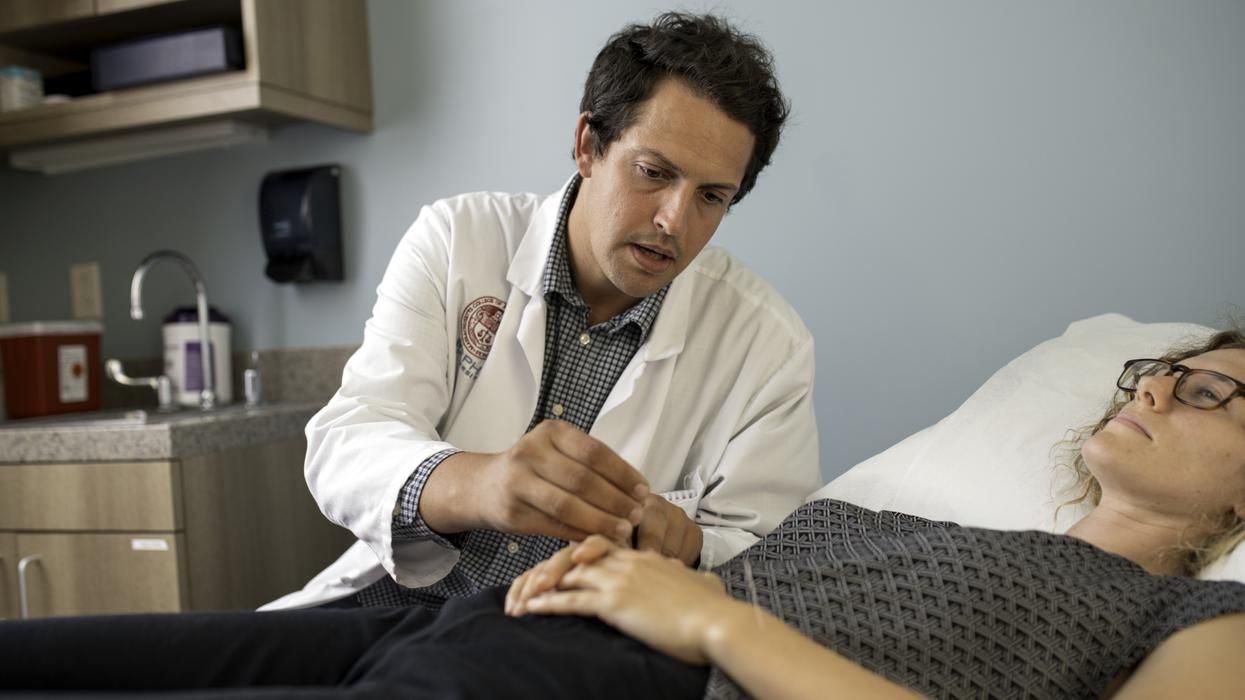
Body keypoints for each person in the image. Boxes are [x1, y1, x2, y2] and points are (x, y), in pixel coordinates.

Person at [4, 332, 1244, 698]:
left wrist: (709, 625)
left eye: (1201, 387)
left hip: (612, 682)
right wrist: (664, 550)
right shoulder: (934, 522)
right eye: (1152, 371)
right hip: (471, 611)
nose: (1150, 384)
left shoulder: (1192, 611)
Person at [265, 10, 819, 612]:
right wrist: (481, 484)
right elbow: (349, 442)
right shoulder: (458, 239)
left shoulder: (767, 343)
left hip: (564, 642)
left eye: (712, 197)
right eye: (653, 172)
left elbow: (773, 558)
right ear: (587, 145)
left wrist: (690, 547)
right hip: (392, 599)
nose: (674, 222)